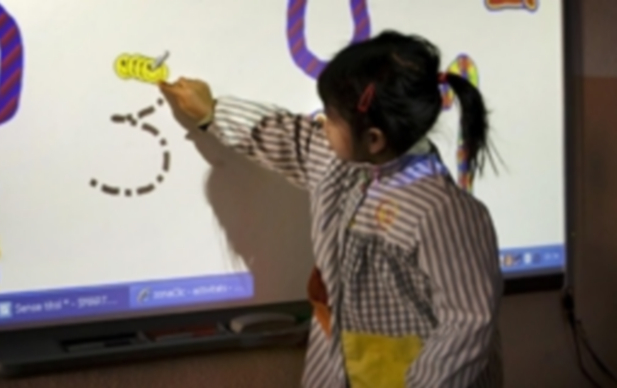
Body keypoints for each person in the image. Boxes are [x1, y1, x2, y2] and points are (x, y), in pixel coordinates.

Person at [160, 30, 503, 388]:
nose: (321, 124)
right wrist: (213, 113)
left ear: (374, 139)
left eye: (331, 118)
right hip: (338, 369)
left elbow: (467, 323)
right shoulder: (341, 163)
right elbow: (290, 136)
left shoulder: (445, 213)